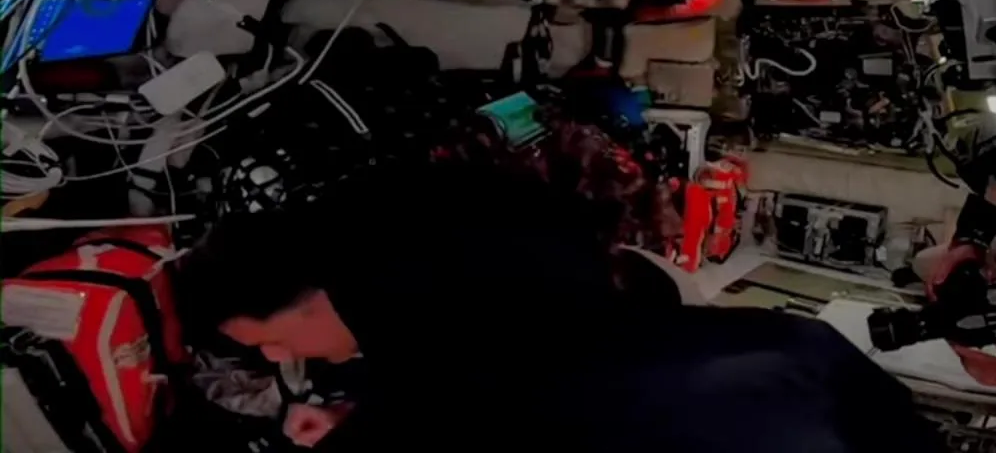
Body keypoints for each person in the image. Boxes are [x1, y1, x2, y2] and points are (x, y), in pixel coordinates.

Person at [179, 158, 945, 452]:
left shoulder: (447, 387)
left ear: (324, 292)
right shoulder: (501, 286)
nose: (275, 358)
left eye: (269, 340)